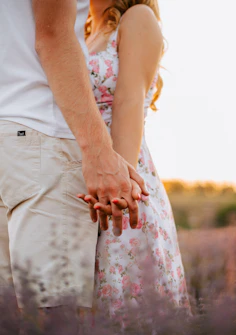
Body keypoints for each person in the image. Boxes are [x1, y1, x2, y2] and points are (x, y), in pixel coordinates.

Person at [0, 0, 148, 309]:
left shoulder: (135, 21)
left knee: (12, 324)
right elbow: (53, 35)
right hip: (43, 137)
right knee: (54, 321)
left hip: (13, 140)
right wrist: (98, 150)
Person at [79, 0, 191, 316]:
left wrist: (116, 193)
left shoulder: (137, 18)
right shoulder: (83, 30)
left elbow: (129, 103)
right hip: (81, 173)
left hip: (121, 174)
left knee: (124, 306)